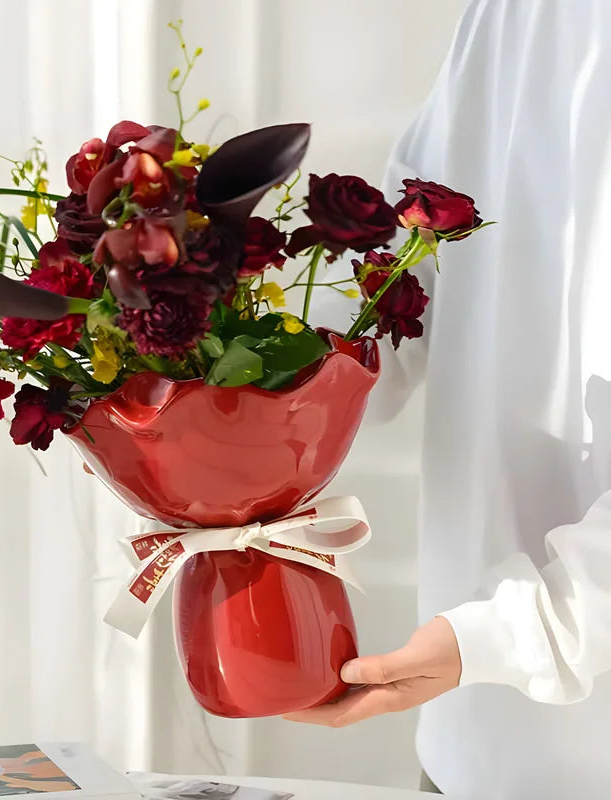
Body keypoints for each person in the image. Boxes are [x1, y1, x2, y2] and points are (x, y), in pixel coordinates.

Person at [286, 1, 611, 797]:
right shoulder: (510, 13)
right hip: (469, 736)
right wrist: (222, 403)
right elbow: (414, 255)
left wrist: (513, 634)